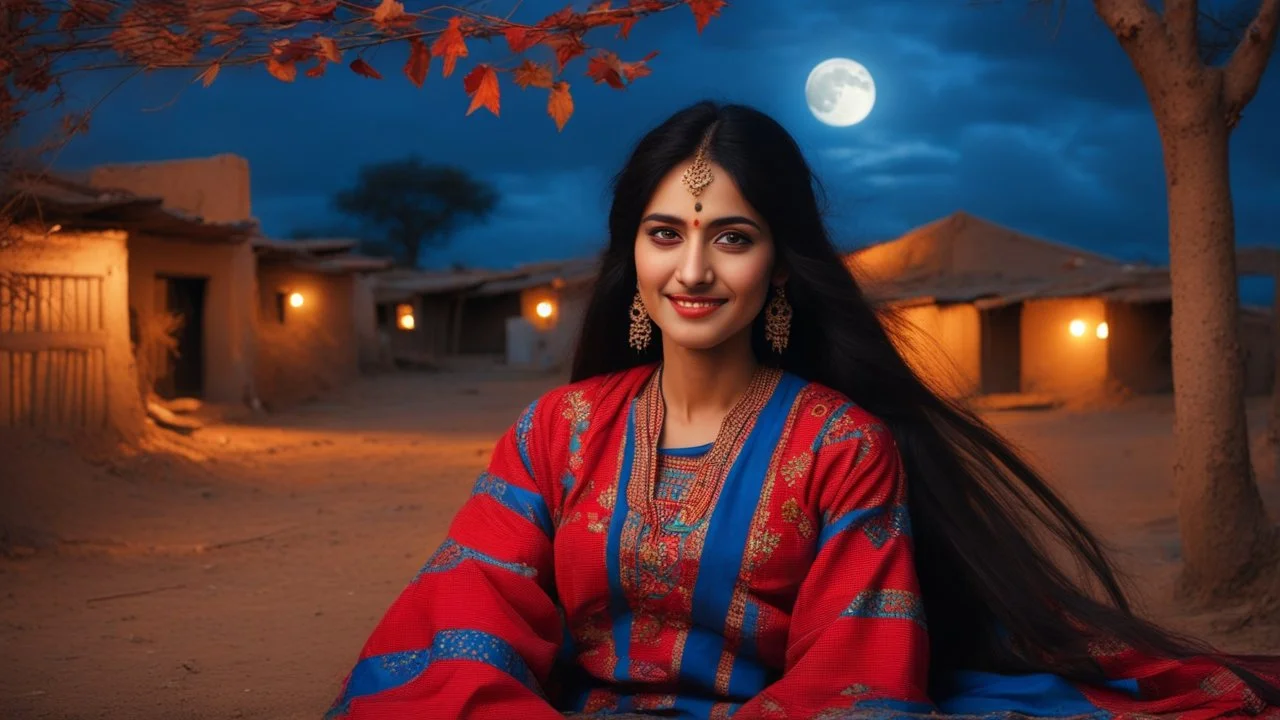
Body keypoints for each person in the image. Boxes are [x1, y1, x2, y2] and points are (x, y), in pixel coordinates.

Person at [325, 102, 1280, 720]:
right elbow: (463, 614)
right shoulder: (560, 430)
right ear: (634, 256)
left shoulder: (841, 446)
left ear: (779, 264)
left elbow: (854, 674)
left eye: (730, 238)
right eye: (666, 235)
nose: (693, 271)